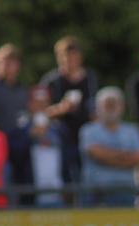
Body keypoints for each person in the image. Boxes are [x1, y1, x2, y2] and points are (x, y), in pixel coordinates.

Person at [41, 36, 99, 182]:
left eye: (73, 57)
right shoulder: (51, 81)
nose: (69, 61)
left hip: (86, 135)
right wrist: (62, 108)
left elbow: (95, 107)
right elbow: (41, 113)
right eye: (65, 57)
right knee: (64, 175)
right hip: (61, 136)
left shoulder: (90, 78)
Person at [79, 87, 139, 206]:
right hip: (95, 194)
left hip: (126, 191)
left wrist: (109, 156)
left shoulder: (133, 130)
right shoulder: (87, 130)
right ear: (98, 108)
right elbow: (97, 154)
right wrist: (126, 157)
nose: (110, 109)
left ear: (122, 107)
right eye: (107, 105)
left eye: (114, 104)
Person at [7, 85, 65, 207]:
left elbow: (68, 158)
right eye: (37, 103)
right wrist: (29, 136)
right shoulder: (19, 131)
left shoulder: (59, 130)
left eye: (44, 103)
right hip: (30, 197)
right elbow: (15, 159)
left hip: (57, 196)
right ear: (29, 104)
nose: (41, 107)